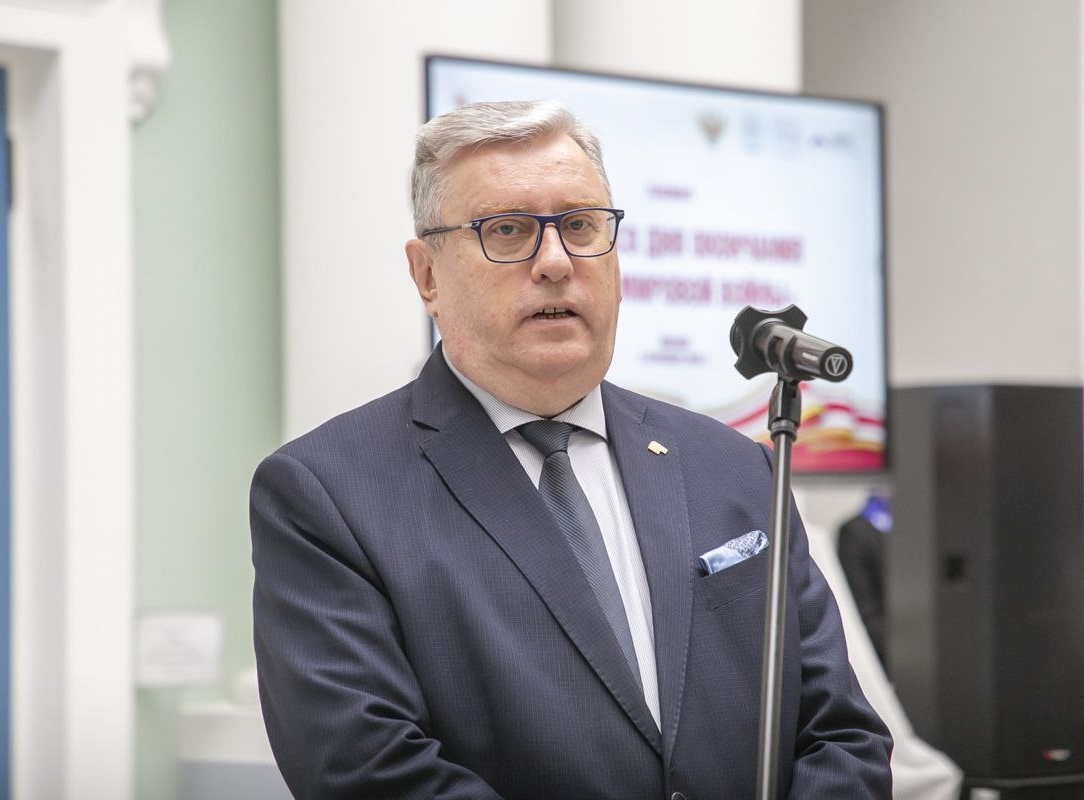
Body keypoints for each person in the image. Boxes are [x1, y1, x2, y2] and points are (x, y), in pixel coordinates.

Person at [250, 100, 892, 799]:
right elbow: (367, 772)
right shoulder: (329, 494)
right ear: (427, 275)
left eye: (581, 225)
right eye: (507, 230)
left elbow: (841, 734)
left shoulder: (738, 467)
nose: (555, 262)